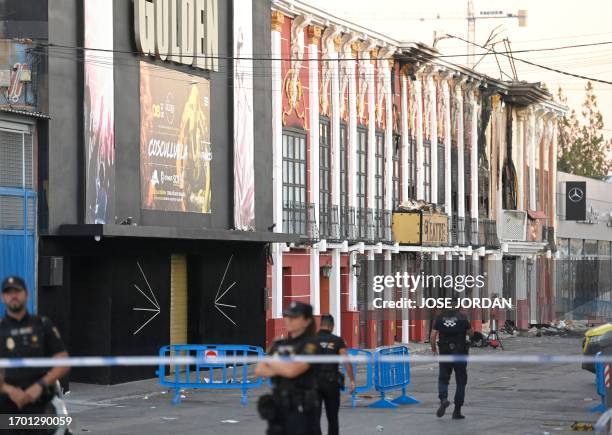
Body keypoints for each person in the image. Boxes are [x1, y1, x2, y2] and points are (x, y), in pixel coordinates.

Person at [0, 276, 70, 431]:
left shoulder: (42, 325)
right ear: (3, 297)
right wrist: (10, 390)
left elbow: (63, 362)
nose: (13, 296)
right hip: (6, 406)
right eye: (8, 292)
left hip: (40, 405)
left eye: (17, 291)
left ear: (27, 294)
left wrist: (39, 385)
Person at [255, 301, 320, 435]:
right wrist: (284, 364)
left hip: (301, 408)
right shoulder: (279, 343)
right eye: (287, 316)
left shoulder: (311, 345)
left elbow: (293, 371)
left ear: (307, 321)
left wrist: (273, 362)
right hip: (278, 407)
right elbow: (260, 369)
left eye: (294, 317)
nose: (289, 320)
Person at [430, 307, 474, 419]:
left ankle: (443, 399)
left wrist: (434, 348)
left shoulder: (439, 318)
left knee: (443, 378)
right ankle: (457, 411)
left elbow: (433, 335)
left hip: (445, 352)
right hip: (460, 353)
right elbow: (471, 333)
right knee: (461, 381)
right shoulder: (463, 318)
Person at [315, 314, 354, 435]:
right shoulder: (337, 340)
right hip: (331, 382)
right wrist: (352, 380)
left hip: (314, 383)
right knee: (332, 418)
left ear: (320, 324)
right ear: (332, 326)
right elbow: (346, 361)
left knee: (314, 419)